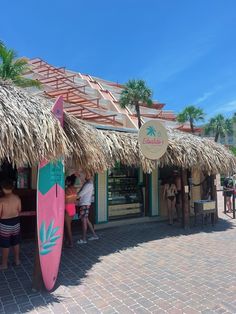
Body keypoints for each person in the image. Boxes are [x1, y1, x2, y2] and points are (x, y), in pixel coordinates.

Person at [0, 180, 21, 270]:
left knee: (5, 244)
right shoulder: (17, 198)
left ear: (3, 189)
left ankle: (4, 264)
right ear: (12, 188)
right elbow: (19, 210)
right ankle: (17, 260)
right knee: (16, 242)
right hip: (16, 222)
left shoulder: (1, 200)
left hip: (5, 224)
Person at [77, 174, 98, 244]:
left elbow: (80, 194)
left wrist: (73, 197)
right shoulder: (88, 184)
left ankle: (84, 239)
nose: (85, 176)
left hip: (84, 204)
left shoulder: (88, 184)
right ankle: (94, 235)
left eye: (87, 175)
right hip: (86, 204)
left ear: (90, 176)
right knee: (86, 220)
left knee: (84, 221)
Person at [64, 174, 77, 248]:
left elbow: (64, 200)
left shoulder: (66, 190)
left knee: (68, 227)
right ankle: (67, 241)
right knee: (67, 226)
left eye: (66, 181)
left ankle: (71, 243)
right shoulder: (75, 189)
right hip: (73, 208)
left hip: (67, 207)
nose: (65, 182)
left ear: (69, 182)